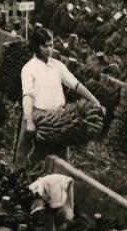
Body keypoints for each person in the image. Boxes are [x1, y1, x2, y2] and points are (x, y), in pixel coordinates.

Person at [15, 27, 105, 167]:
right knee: (26, 155)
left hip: (57, 117)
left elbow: (75, 84)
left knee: (62, 158)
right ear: (36, 46)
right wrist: (29, 120)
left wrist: (95, 101)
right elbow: (28, 95)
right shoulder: (29, 68)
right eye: (45, 46)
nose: (49, 49)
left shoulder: (57, 65)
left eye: (51, 45)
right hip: (37, 116)